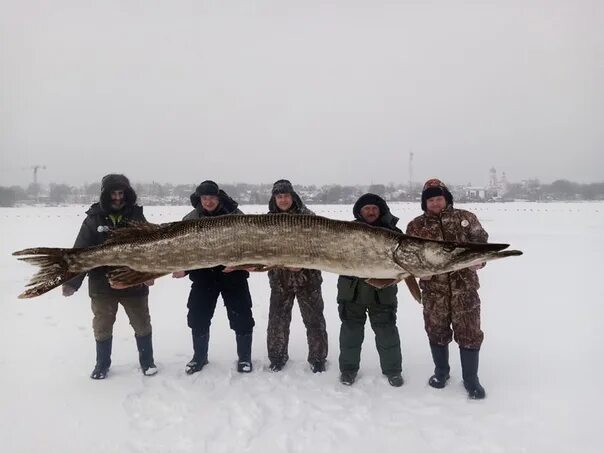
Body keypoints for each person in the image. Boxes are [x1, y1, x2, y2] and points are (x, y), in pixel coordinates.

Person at [62, 174, 157, 379]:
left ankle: (147, 361)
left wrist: (149, 273)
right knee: (102, 326)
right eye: (113, 193)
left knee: (142, 323)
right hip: (101, 285)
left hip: (134, 282)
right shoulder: (93, 219)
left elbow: (151, 248)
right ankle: (102, 364)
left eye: (121, 193)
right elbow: (80, 251)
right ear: (106, 195)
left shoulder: (136, 217)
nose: (117, 197)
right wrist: (72, 282)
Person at [406, 178, 488, 399]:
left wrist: (479, 262)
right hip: (434, 293)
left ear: (446, 199)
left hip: (466, 291)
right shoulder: (415, 226)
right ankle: (441, 372)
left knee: (470, 334)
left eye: (438, 198)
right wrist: (418, 271)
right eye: (430, 200)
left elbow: (482, 245)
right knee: (437, 333)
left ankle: (471, 380)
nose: (435, 203)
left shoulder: (466, 218)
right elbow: (409, 256)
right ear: (425, 202)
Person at [173, 180, 255, 374]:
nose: (208, 202)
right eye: (204, 198)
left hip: (234, 276)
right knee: (198, 316)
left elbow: (250, 244)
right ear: (199, 199)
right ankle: (199, 357)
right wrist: (183, 268)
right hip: (203, 277)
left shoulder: (235, 216)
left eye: (211, 198)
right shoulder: (191, 218)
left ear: (219, 198)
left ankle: (244, 358)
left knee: (242, 316)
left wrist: (240, 264)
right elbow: (182, 250)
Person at [337, 193, 404, 387]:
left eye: (374, 208)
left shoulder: (394, 232)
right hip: (352, 292)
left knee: (387, 333)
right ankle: (348, 370)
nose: (371, 211)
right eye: (366, 208)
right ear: (360, 211)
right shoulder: (346, 231)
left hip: (382, 294)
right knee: (350, 334)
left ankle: (393, 371)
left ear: (380, 210)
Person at [266, 179, 328, 373]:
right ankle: (277, 357)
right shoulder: (267, 221)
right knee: (277, 321)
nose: (283, 200)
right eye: (279, 196)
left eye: (286, 196)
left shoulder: (308, 217)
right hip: (279, 280)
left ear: (292, 197)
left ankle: (318, 359)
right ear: (274, 199)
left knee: (314, 320)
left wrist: (302, 263)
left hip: (308, 279)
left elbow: (320, 245)